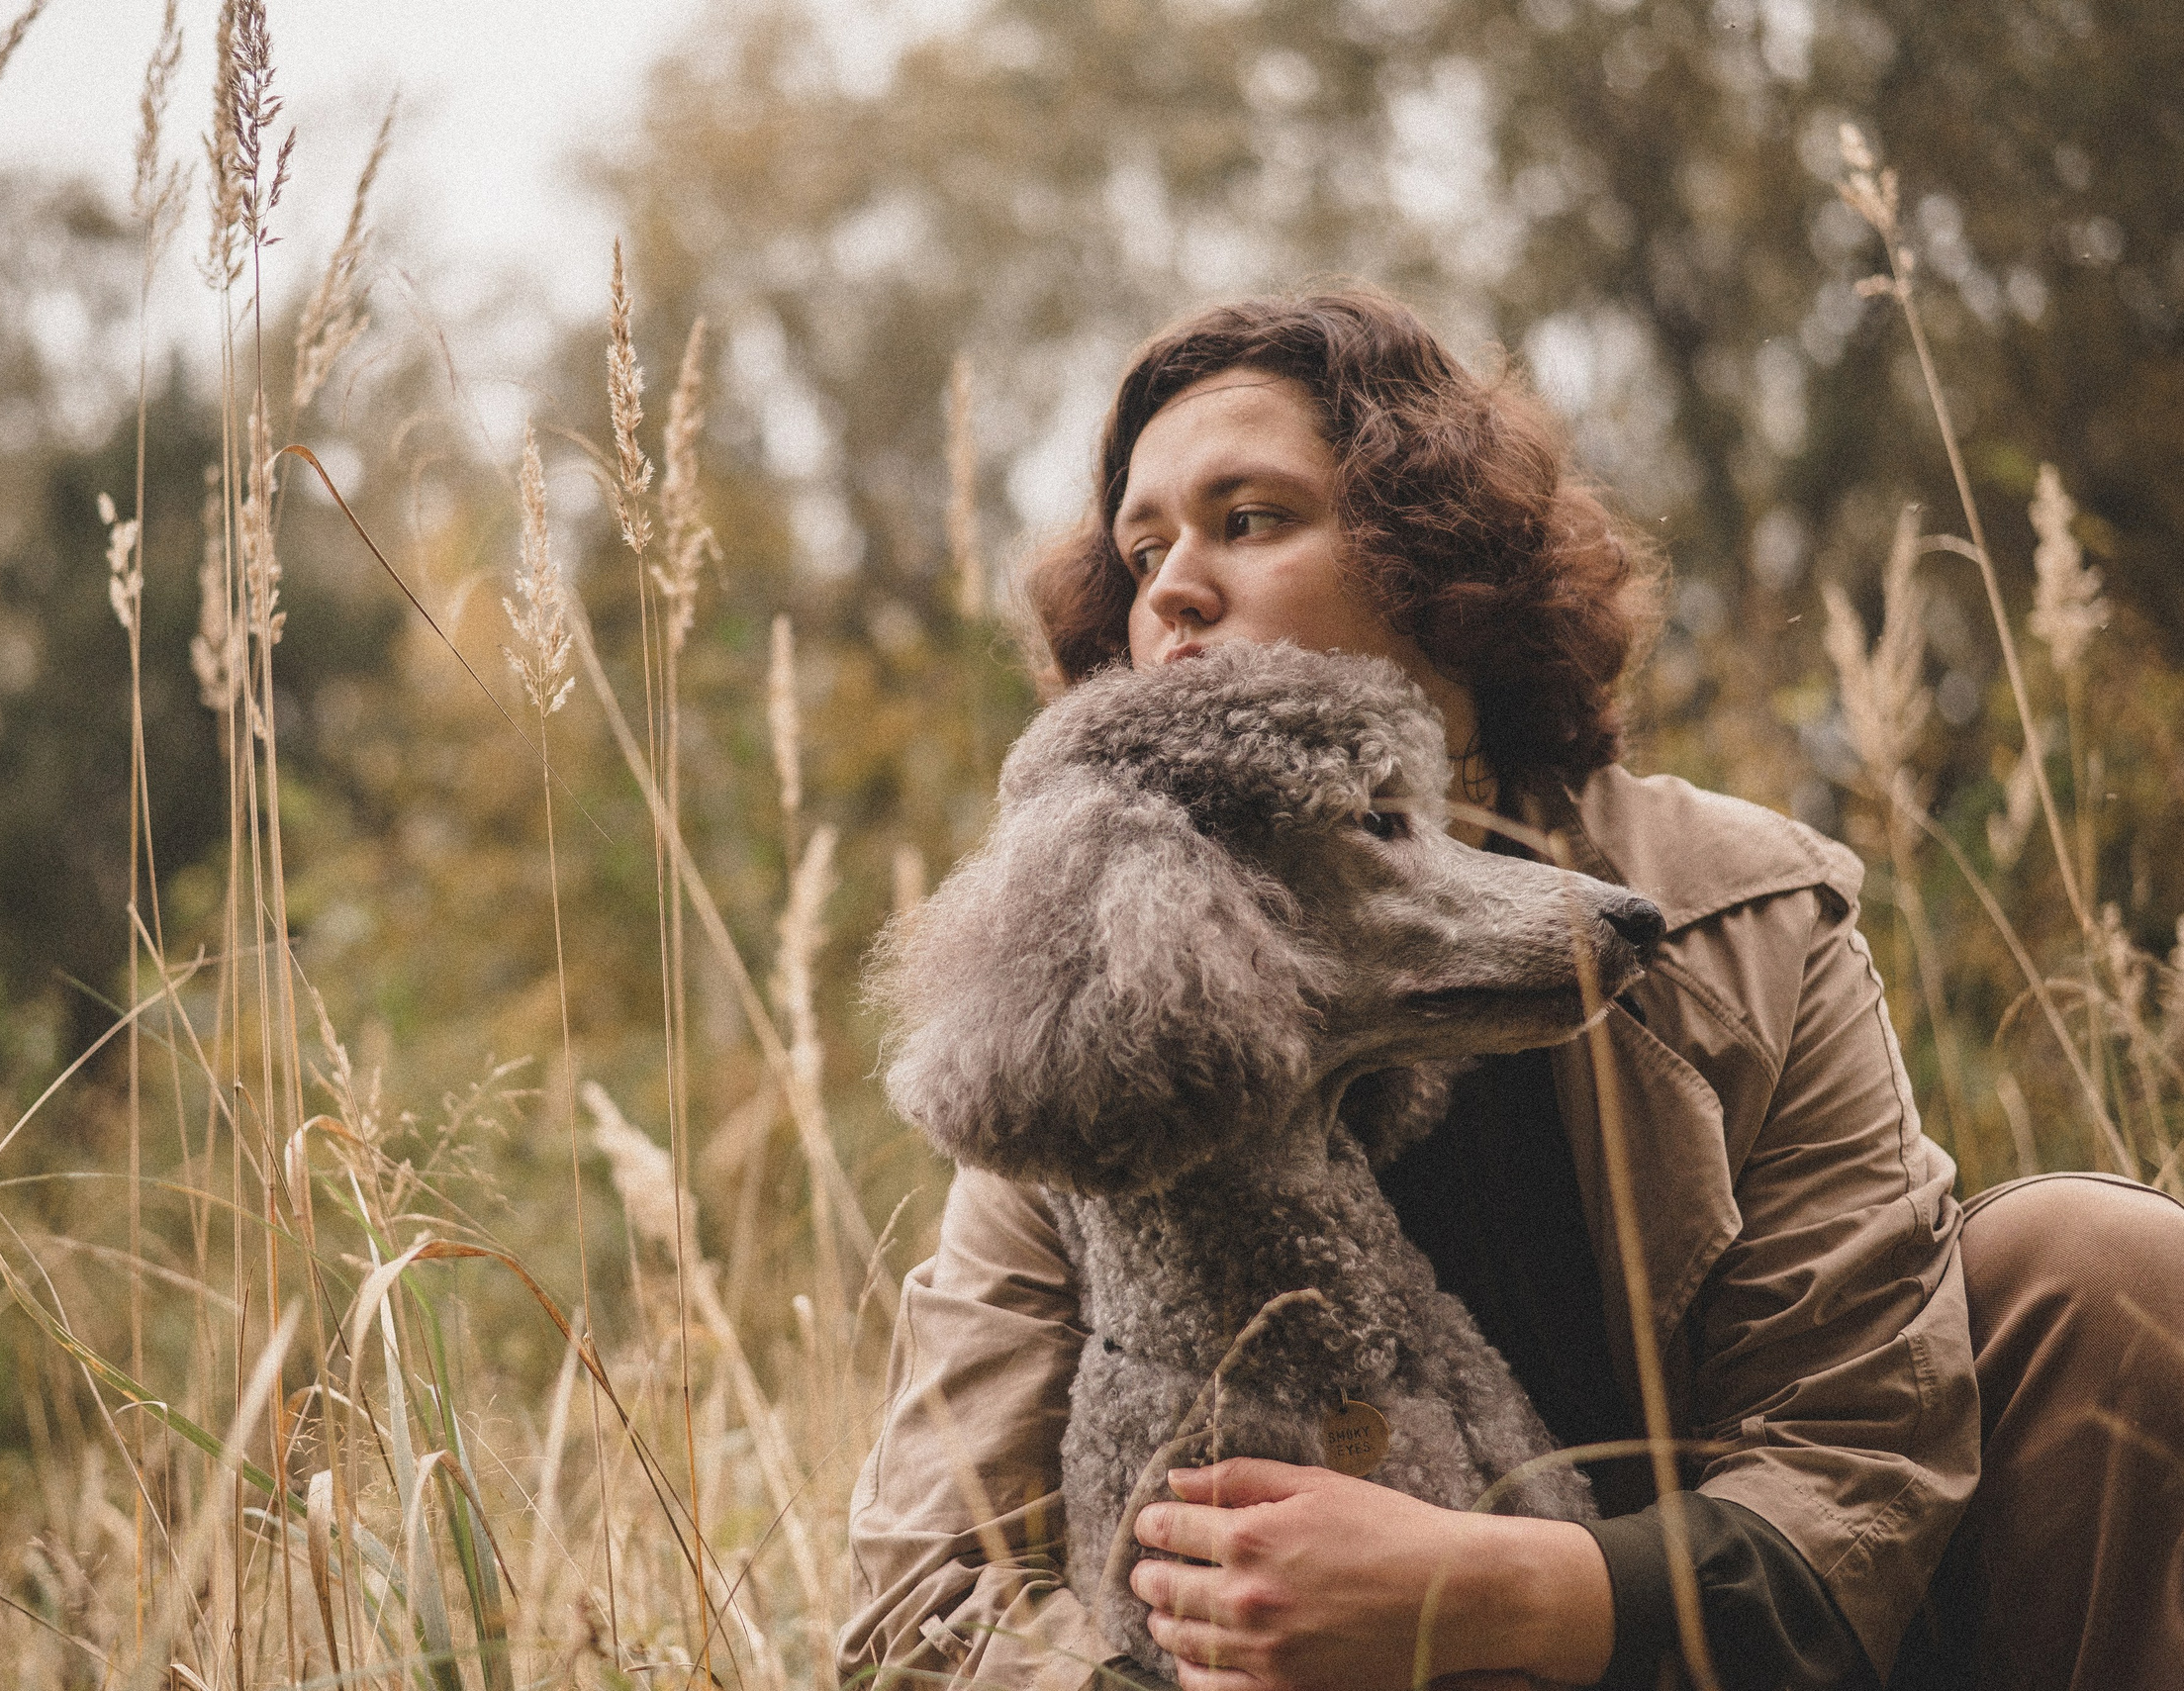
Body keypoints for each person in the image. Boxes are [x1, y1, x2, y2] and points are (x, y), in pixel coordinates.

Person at [840, 290, 2184, 1690]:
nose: (1169, 587)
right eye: (1141, 547)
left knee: (2100, 1268)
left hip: (1720, 1659)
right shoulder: (1096, 995)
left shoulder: (1742, 908)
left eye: (1249, 519)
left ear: (1436, 570)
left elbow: (1862, 1465)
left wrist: (1504, 1593)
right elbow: (923, 1604)